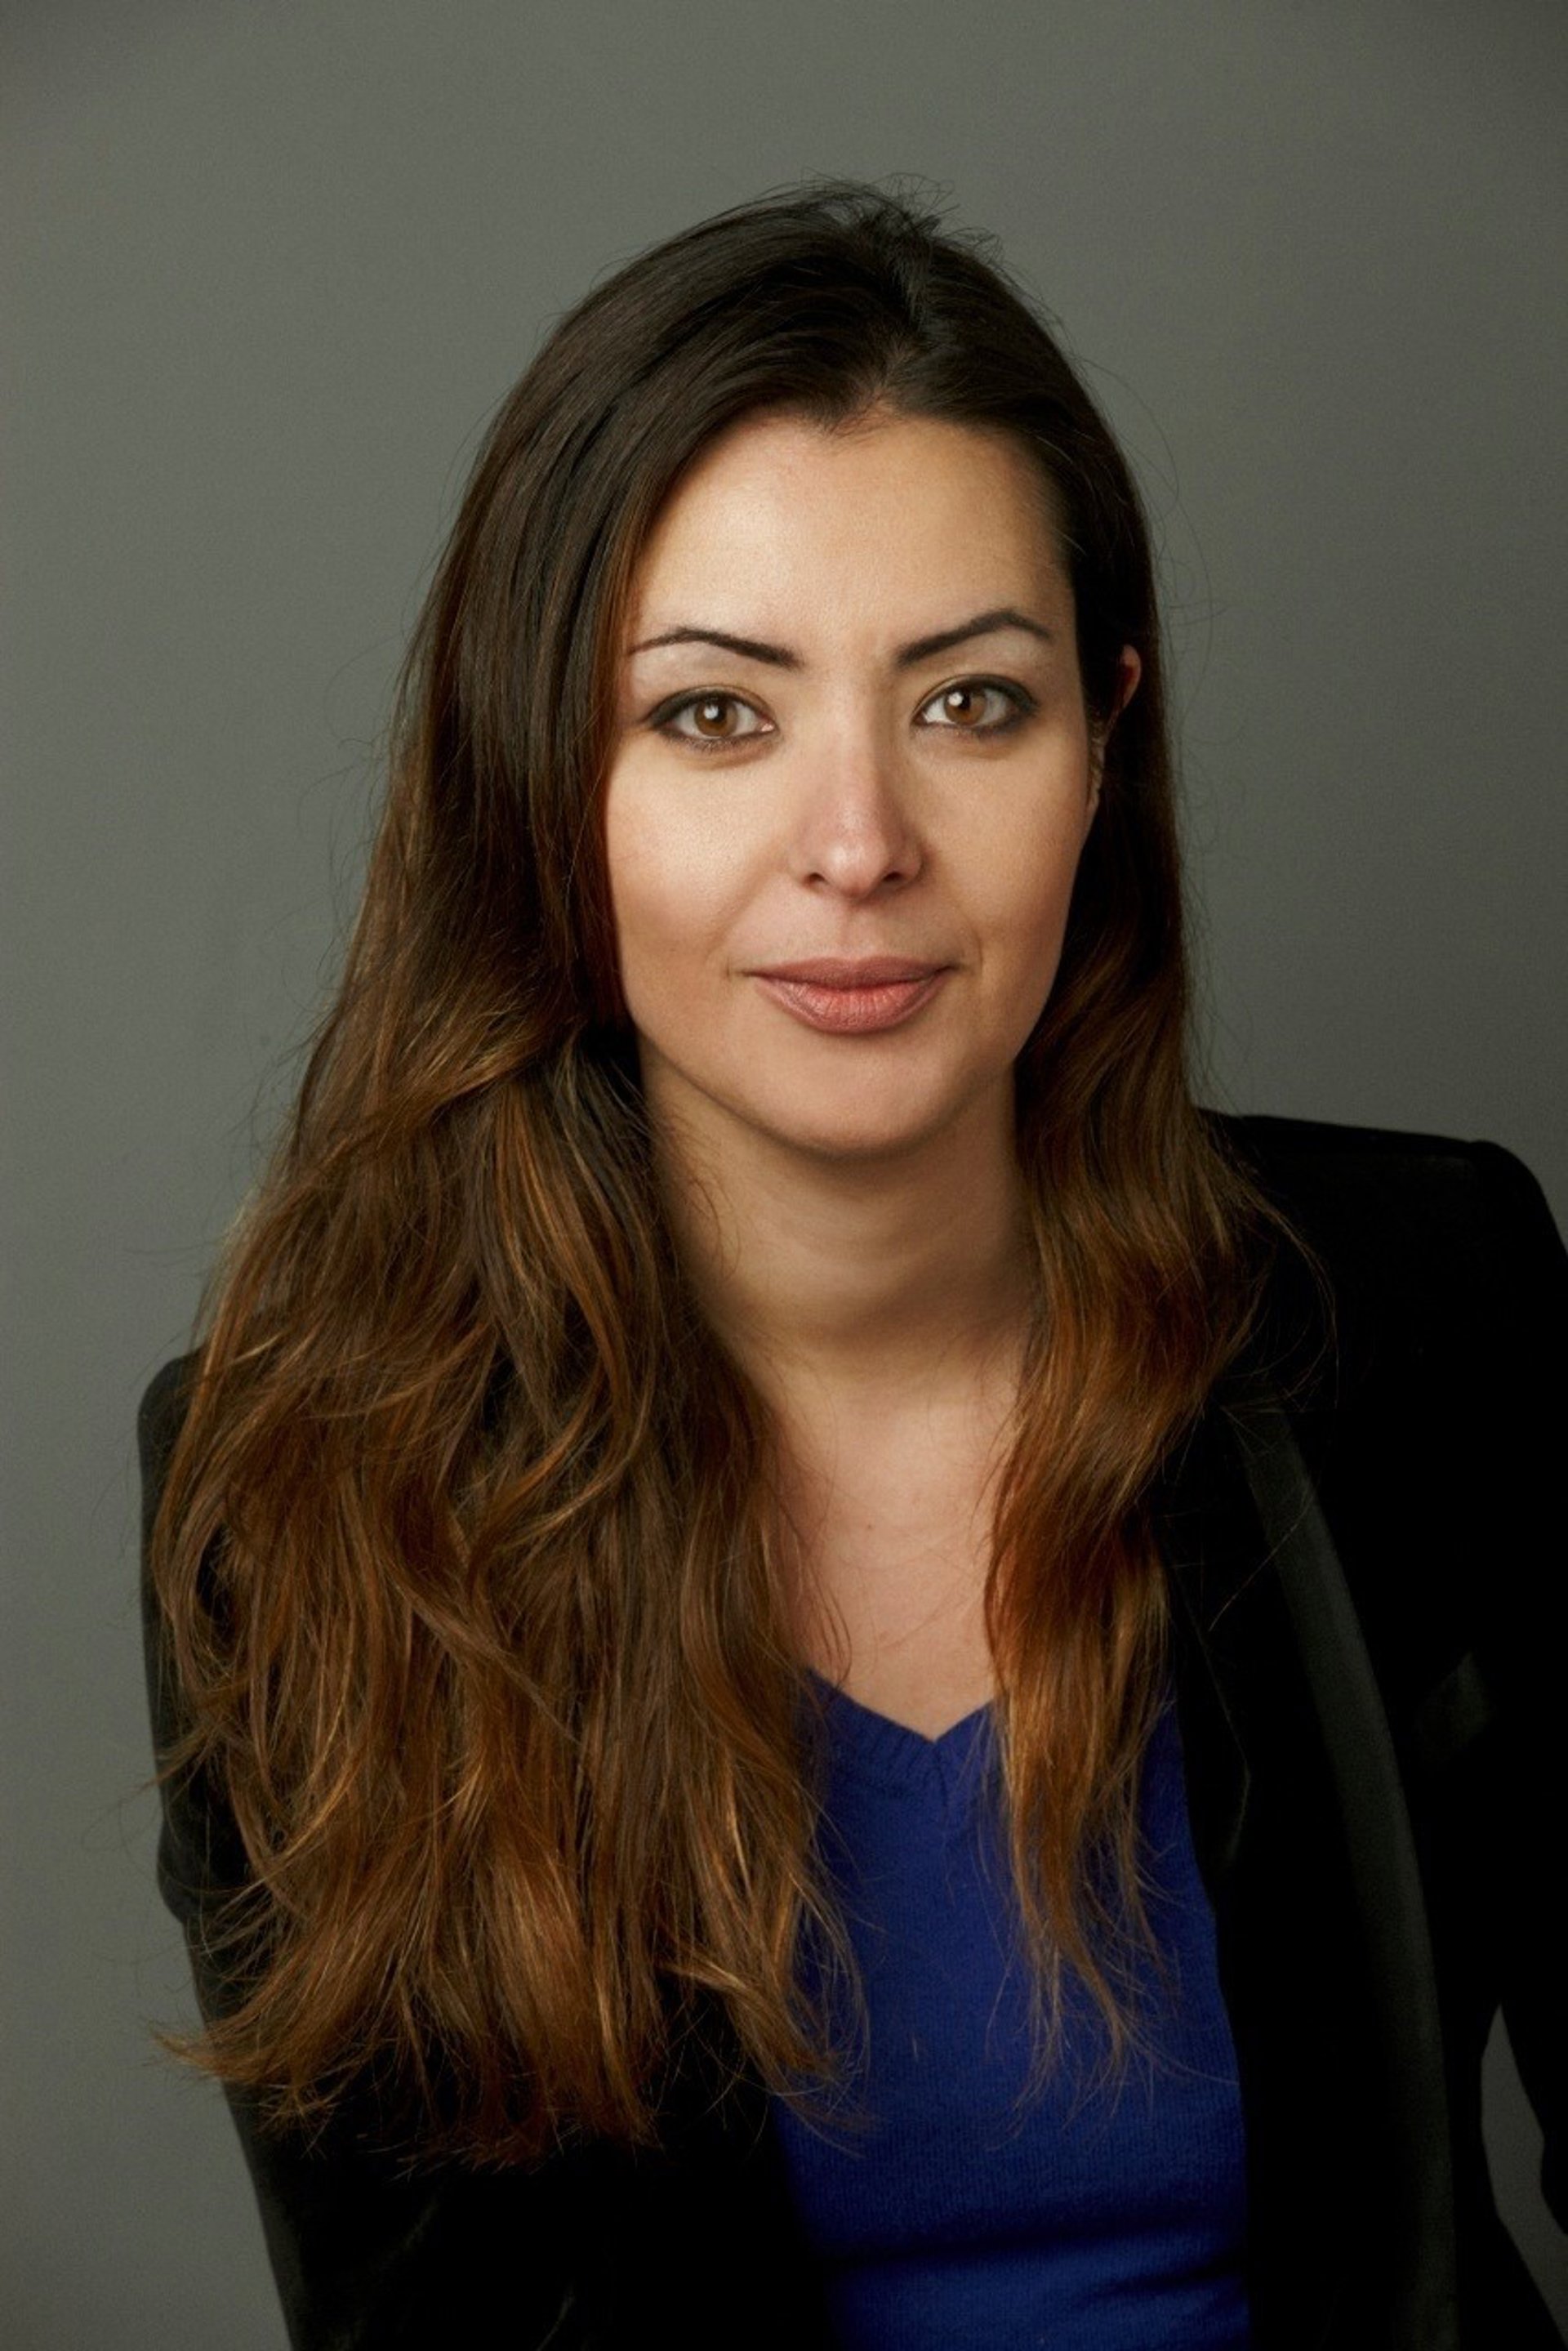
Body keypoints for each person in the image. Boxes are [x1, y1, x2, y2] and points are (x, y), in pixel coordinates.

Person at [136, 175, 1566, 2350]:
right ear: (541, 775)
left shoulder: (1424, 1299)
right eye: (715, 716)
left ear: (1104, 744)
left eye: (971, 704)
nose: (860, 844)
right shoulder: (308, 1490)